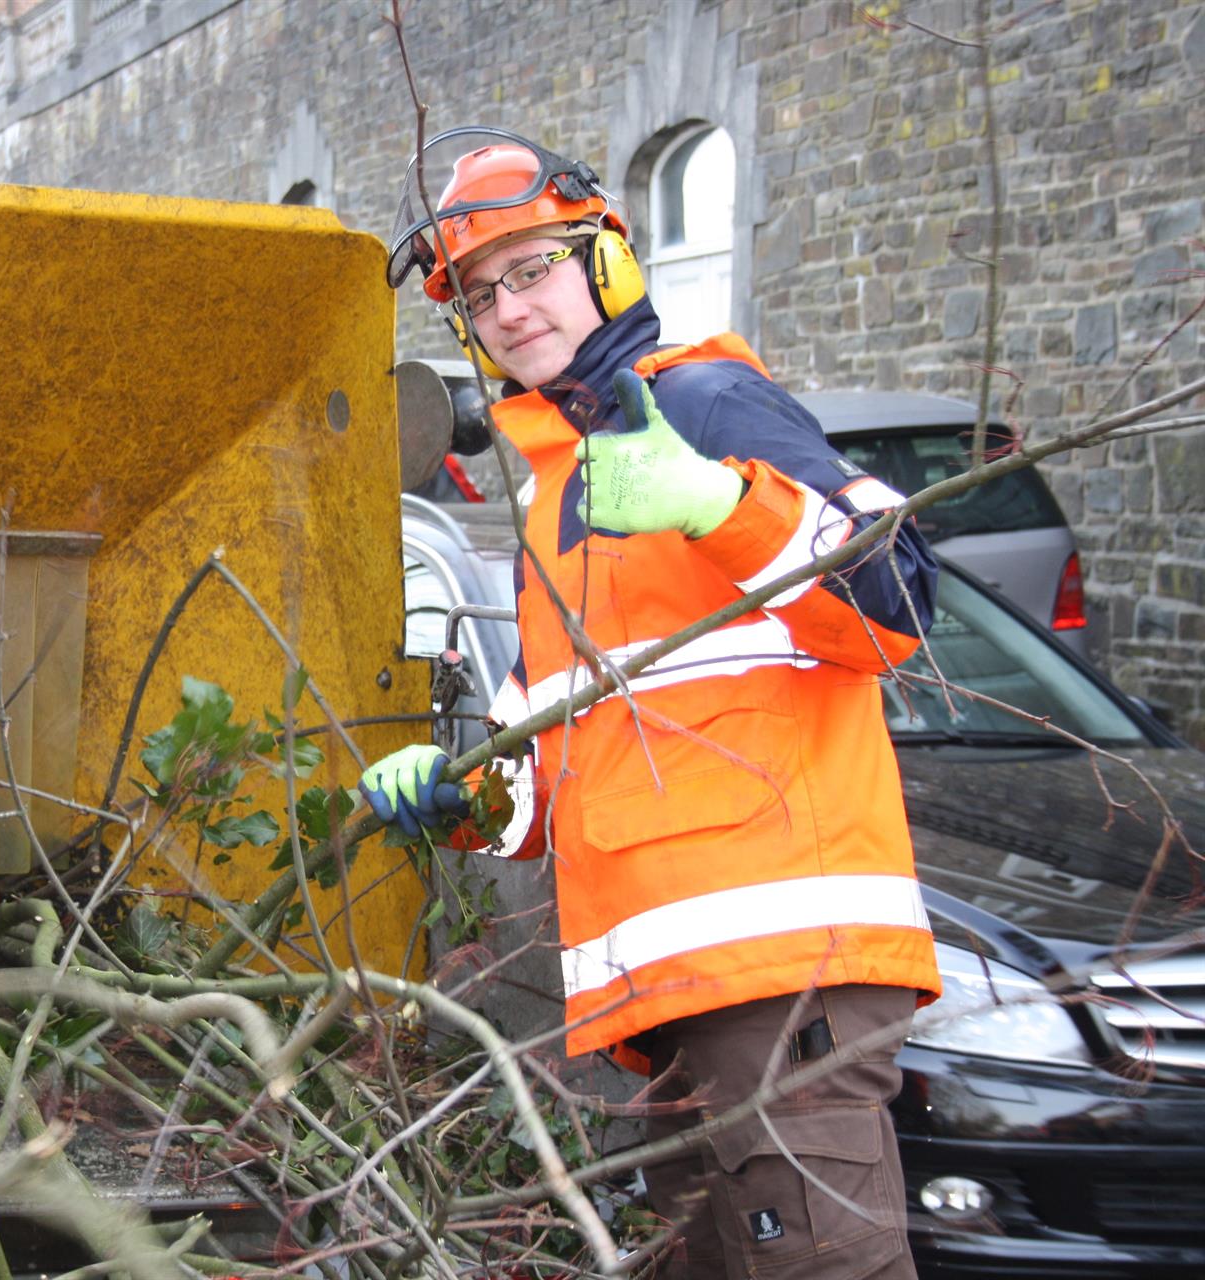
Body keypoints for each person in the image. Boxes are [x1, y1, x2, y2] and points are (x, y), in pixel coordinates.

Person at [363, 128, 943, 1279]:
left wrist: (718, 501)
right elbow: (552, 767)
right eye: (481, 294)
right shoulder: (552, 497)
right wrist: (459, 797)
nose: (510, 309)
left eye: (531, 268)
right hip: (669, 1004)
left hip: (784, 970)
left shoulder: (714, 403)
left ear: (608, 265)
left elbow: (899, 603)